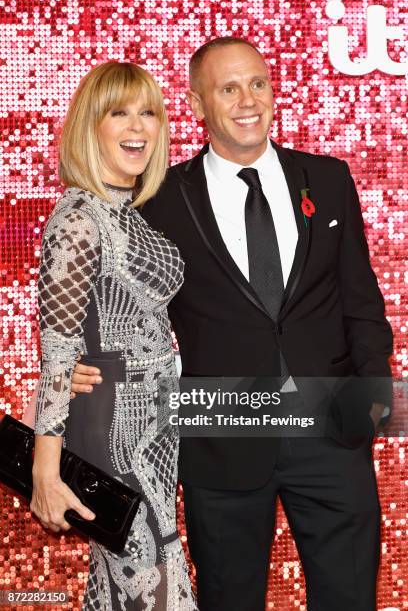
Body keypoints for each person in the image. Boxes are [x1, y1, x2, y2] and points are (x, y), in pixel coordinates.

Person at [71, 39, 393, 611]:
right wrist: (78, 371)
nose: (248, 100)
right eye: (228, 88)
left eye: (258, 84)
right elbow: (121, 315)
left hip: (332, 436)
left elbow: (362, 305)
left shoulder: (329, 178)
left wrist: (369, 402)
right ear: (197, 103)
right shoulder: (160, 200)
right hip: (220, 440)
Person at [30, 61, 197, 610]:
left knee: (138, 579)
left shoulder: (131, 215)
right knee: (154, 581)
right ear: (89, 126)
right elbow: (56, 354)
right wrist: (45, 472)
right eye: (119, 112)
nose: (138, 125)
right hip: (115, 433)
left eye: (148, 112)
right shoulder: (80, 217)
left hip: (156, 430)